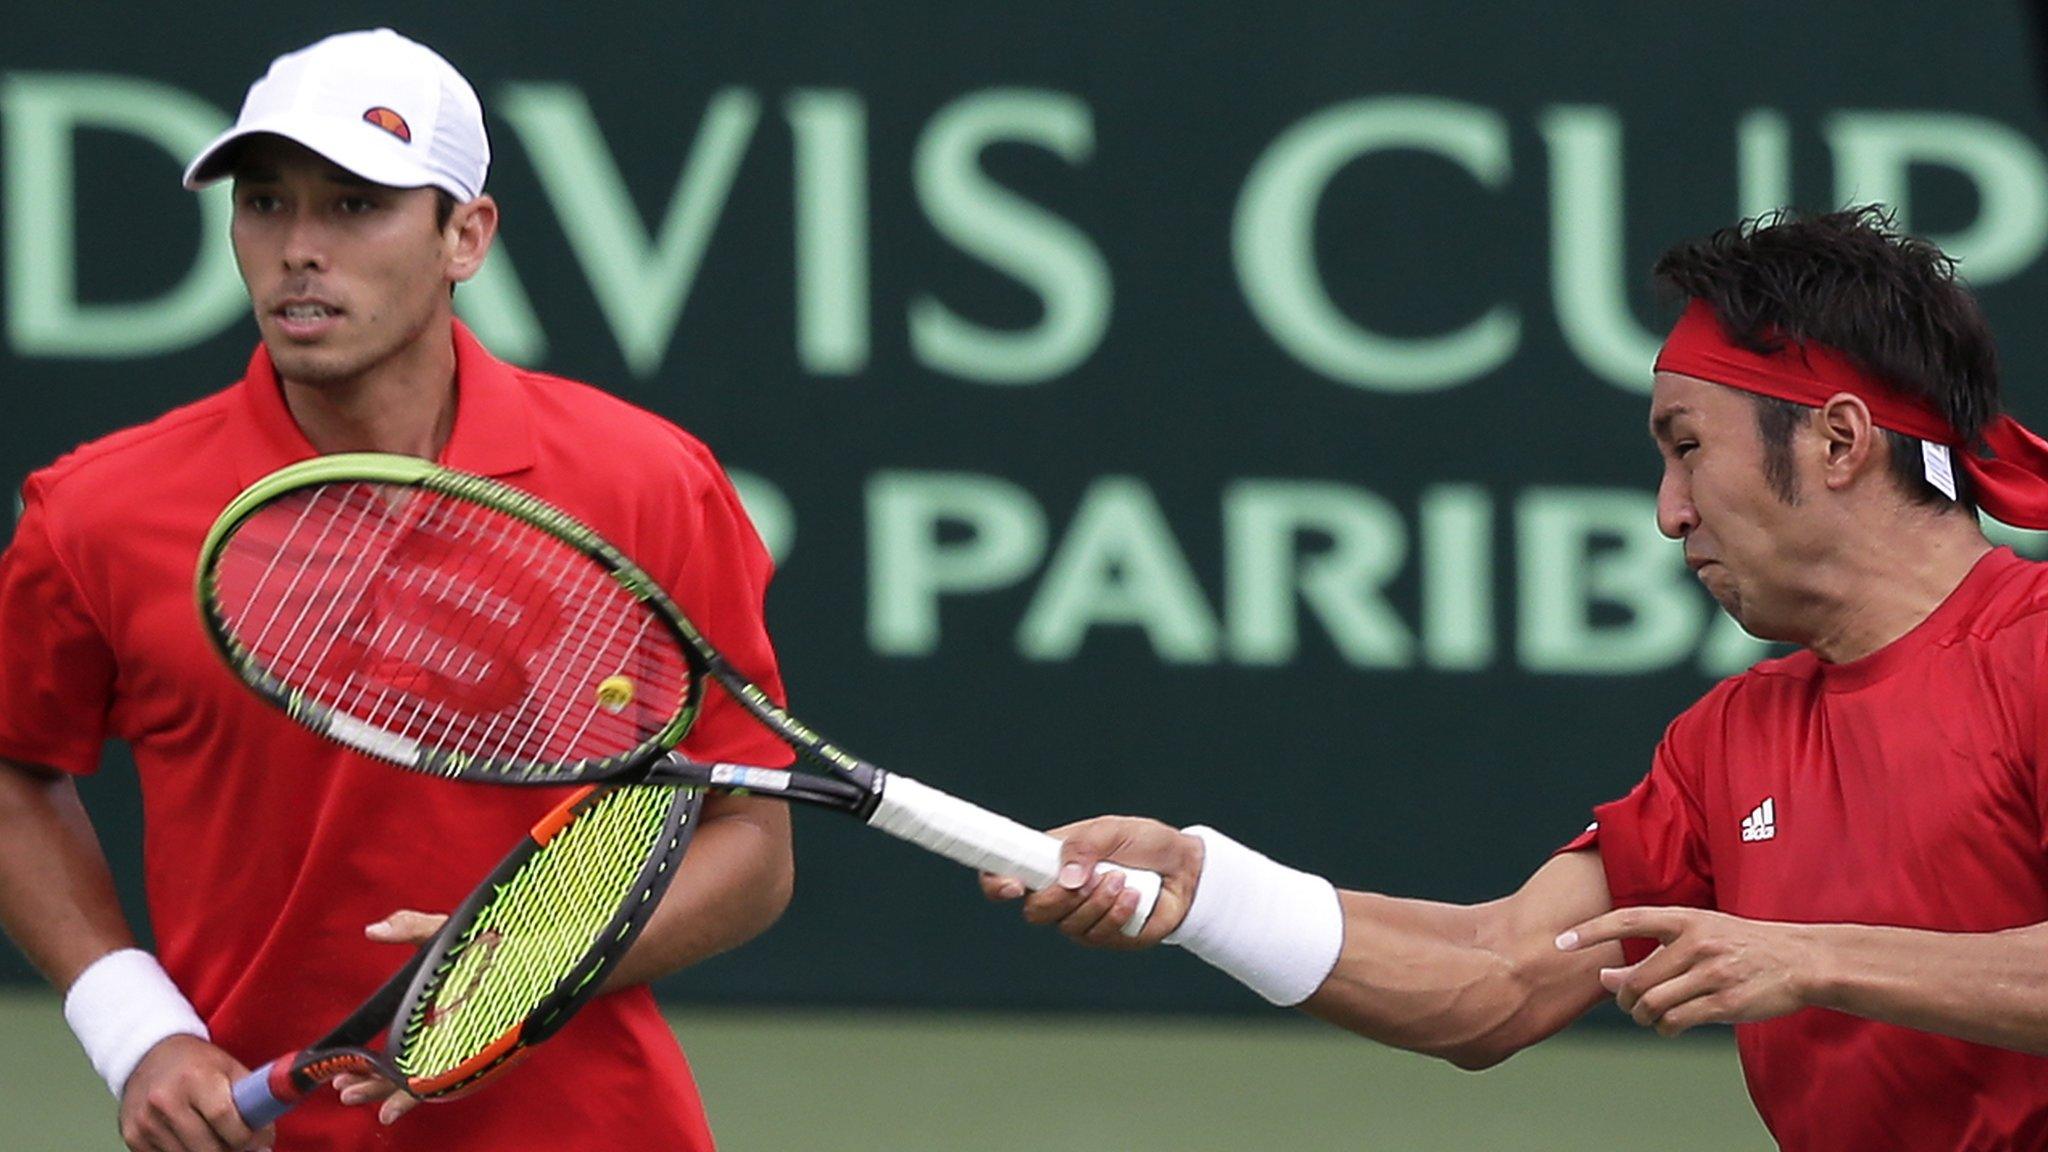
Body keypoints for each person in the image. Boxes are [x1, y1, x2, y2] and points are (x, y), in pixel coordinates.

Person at [987, 206, 2048, 1150]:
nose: (1667, 511)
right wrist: (1204, 891)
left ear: (1838, 440)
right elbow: (1492, 978)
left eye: (1686, 448)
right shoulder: (1727, 738)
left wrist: (1813, 958)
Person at [0, 29, 796, 1152]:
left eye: (357, 206)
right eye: (266, 204)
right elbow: (12, 771)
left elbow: (750, 842)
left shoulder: (646, 483)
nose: (298, 250)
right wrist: (137, 1030)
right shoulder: (97, 513)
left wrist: (523, 973)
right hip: (263, 1126)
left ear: (464, 236)